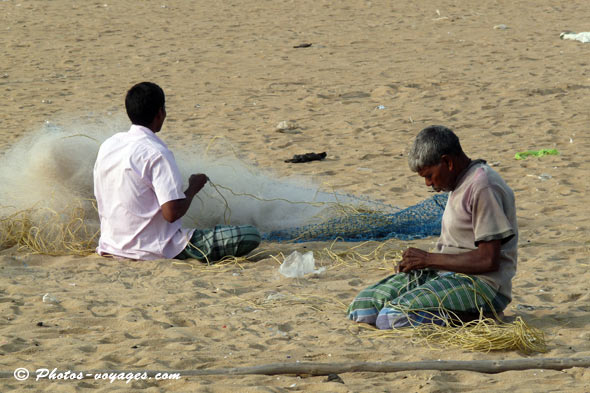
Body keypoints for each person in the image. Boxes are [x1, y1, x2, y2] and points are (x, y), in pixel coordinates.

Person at [347, 125, 517, 328]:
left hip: (482, 284)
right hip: (444, 272)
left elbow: (489, 260)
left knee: (392, 318)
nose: (428, 184)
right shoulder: (458, 183)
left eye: (429, 176)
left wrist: (428, 259)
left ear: (447, 162)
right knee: (362, 308)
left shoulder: (482, 185)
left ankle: (482, 318)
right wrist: (424, 263)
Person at [93, 81, 261, 261]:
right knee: (251, 235)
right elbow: (171, 213)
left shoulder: (109, 144)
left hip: (112, 244)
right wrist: (193, 188)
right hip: (154, 248)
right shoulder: (157, 153)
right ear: (160, 113)